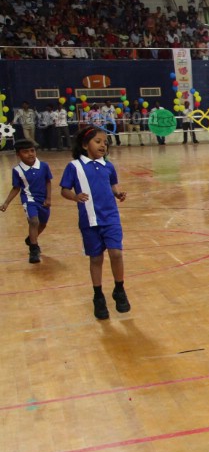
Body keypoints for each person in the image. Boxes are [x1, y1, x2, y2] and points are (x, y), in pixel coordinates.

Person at [59, 126, 130, 320]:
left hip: (111, 217)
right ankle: (98, 296)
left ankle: (119, 289)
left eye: (105, 142)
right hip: (89, 220)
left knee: (116, 253)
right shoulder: (74, 167)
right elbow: (64, 190)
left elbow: (112, 184)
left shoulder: (108, 166)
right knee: (96, 258)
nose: (103, 145)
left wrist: (118, 193)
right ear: (84, 145)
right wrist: (75, 196)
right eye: (98, 141)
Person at [1, 139, 52, 263]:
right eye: (26, 152)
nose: (30, 154)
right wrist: (6, 202)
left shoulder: (44, 166)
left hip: (42, 201)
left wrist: (49, 198)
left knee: (43, 224)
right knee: (33, 221)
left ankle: (31, 239)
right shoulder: (17, 170)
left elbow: (48, 181)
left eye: (32, 151)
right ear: (18, 154)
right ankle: (34, 249)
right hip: (29, 200)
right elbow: (16, 187)